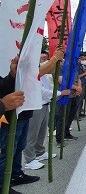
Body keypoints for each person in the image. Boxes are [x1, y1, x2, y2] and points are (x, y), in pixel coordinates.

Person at [24, 52, 69, 170]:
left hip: (44, 104)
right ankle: (29, 159)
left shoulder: (42, 70)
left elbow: (48, 85)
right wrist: (59, 93)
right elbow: (40, 90)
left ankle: (40, 152)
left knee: (42, 131)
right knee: (32, 133)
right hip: (35, 105)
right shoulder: (32, 71)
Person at [0, 56, 33, 194]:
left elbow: (3, 88)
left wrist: (13, 75)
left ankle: (13, 176)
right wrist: (2, 105)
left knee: (17, 148)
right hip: (8, 120)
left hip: (21, 114)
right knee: (6, 152)